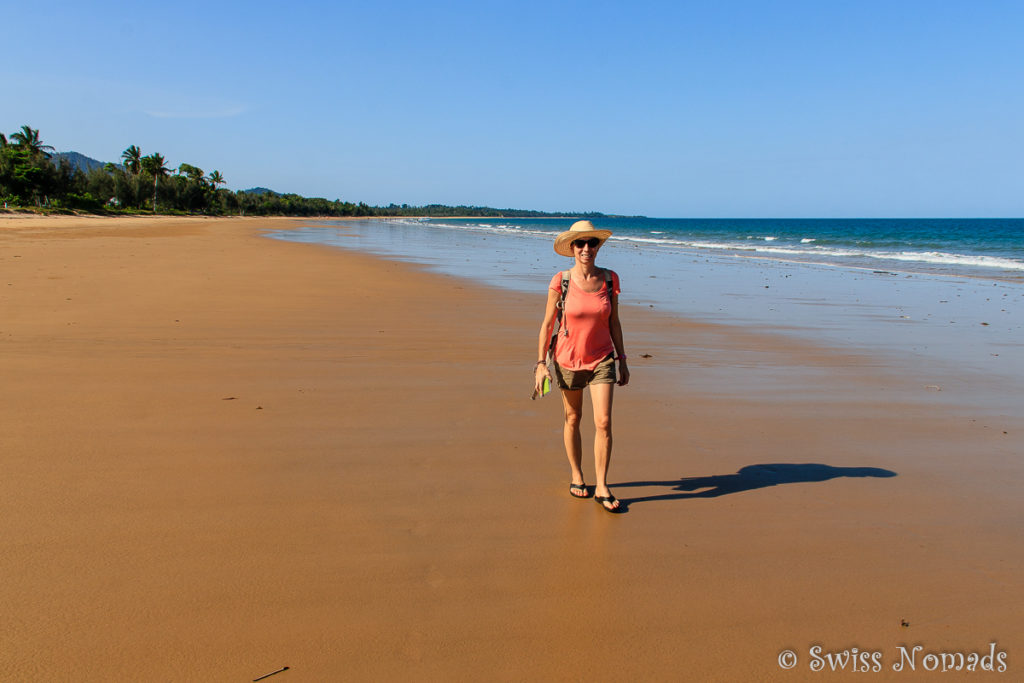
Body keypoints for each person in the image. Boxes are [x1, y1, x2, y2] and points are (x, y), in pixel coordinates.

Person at [535, 220, 629, 512]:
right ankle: (577, 475)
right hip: (567, 360)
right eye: (580, 244)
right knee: (573, 418)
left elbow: (614, 322)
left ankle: (602, 485)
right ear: (572, 248)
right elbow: (547, 323)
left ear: (598, 246)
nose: (586, 248)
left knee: (603, 422)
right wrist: (540, 364)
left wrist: (622, 359)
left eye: (592, 243)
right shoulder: (560, 281)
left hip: (602, 358)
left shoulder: (610, 279)